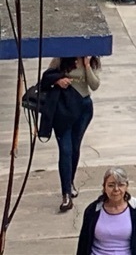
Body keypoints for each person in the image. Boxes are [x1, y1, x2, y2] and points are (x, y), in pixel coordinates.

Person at [40, 55, 101, 212]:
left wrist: (87, 65)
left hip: (84, 107)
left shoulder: (92, 59)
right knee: (65, 150)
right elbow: (46, 76)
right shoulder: (62, 57)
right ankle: (66, 193)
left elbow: (94, 85)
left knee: (75, 147)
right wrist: (58, 80)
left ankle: (70, 181)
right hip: (64, 107)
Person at [76, 167, 136, 255]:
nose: (116, 189)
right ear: (104, 187)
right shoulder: (92, 211)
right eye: (111, 185)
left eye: (120, 185)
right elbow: (83, 244)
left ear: (126, 187)